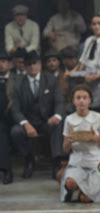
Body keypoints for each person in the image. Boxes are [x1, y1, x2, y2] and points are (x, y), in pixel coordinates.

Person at [10, 51, 64, 179]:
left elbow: (60, 101)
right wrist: (26, 124)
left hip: (47, 121)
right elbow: (15, 110)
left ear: (40, 65)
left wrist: (56, 115)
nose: (32, 67)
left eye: (35, 63)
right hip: (29, 122)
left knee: (59, 123)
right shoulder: (18, 84)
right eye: (28, 64)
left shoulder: (51, 80)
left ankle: (56, 161)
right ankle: (29, 159)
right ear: (24, 66)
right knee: (15, 132)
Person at [61, 84, 100, 203]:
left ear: (90, 100)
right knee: (70, 183)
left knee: (86, 199)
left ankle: (85, 193)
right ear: (73, 100)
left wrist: (96, 138)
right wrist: (70, 141)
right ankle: (75, 190)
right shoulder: (69, 120)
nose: (81, 101)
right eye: (78, 98)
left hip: (96, 161)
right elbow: (65, 149)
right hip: (77, 160)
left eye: (84, 97)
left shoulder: (98, 117)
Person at [69, 14, 100, 111]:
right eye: (94, 24)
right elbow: (82, 62)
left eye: (99, 23)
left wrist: (97, 76)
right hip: (88, 77)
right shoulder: (89, 40)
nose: (96, 26)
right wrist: (71, 72)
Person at [0, 51, 14, 184]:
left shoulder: (18, 79)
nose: (0, 64)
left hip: (16, 117)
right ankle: (6, 170)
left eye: (3, 61)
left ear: (10, 64)